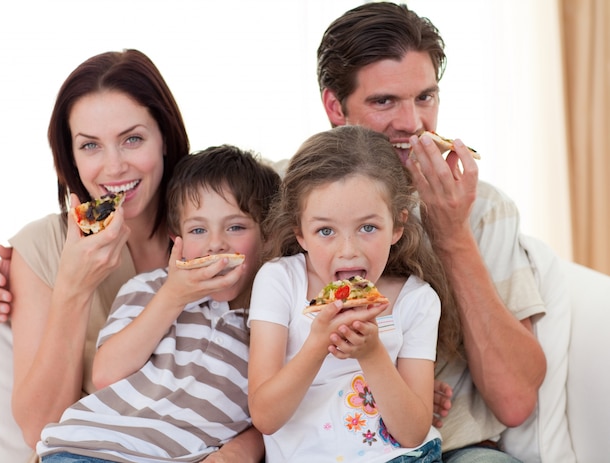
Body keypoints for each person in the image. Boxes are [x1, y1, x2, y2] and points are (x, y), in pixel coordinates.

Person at [315, 3, 546, 461]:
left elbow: (515, 399)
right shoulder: (291, 199)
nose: (413, 124)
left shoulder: (482, 208)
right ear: (335, 107)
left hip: (456, 448)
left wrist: (453, 235)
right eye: (385, 101)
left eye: (425, 97)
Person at [0, 49, 239, 463]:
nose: (114, 167)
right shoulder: (42, 246)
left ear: (165, 139)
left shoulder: (223, 215)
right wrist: (73, 287)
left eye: (132, 139)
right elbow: (38, 429)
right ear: (70, 156)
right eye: (90, 146)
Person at [36, 145, 280, 463]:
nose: (215, 243)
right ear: (175, 238)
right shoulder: (149, 288)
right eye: (197, 230)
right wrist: (173, 296)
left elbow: (277, 408)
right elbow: (106, 373)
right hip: (90, 448)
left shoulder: (273, 319)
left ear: (269, 237)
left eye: (235, 227)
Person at [248, 125, 460, 462]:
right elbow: (265, 416)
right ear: (300, 234)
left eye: (368, 227)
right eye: (326, 231)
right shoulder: (279, 282)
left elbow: (413, 432)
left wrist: (372, 353)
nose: (348, 251)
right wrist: (318, 343)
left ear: (398, 226)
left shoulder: (416, 301)